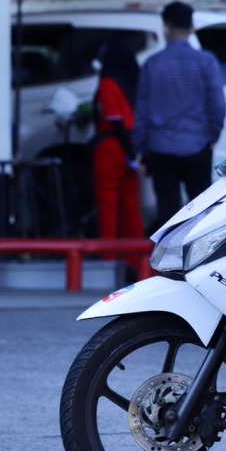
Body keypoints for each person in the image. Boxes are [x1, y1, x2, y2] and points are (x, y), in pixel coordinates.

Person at [134, 1, 226, 229]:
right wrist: (212, 135)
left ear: (166, 27)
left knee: (167, 210)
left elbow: (142, 113)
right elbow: (218, 105)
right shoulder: (206, 62)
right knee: (201, 209)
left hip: (160, 148)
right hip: (198, 144)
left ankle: (167, 262)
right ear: (192, 26)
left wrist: (141, 149)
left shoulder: (152, 64)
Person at [90, 41, 144, 279]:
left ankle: (109, 258)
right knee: (131, 206)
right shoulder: (133, 83)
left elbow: (114, 120)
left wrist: (126, 151)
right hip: (131, 146)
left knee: (108, 205)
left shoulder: (108, 83)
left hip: (111, 148)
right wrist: (132, 153)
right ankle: (136, 259)